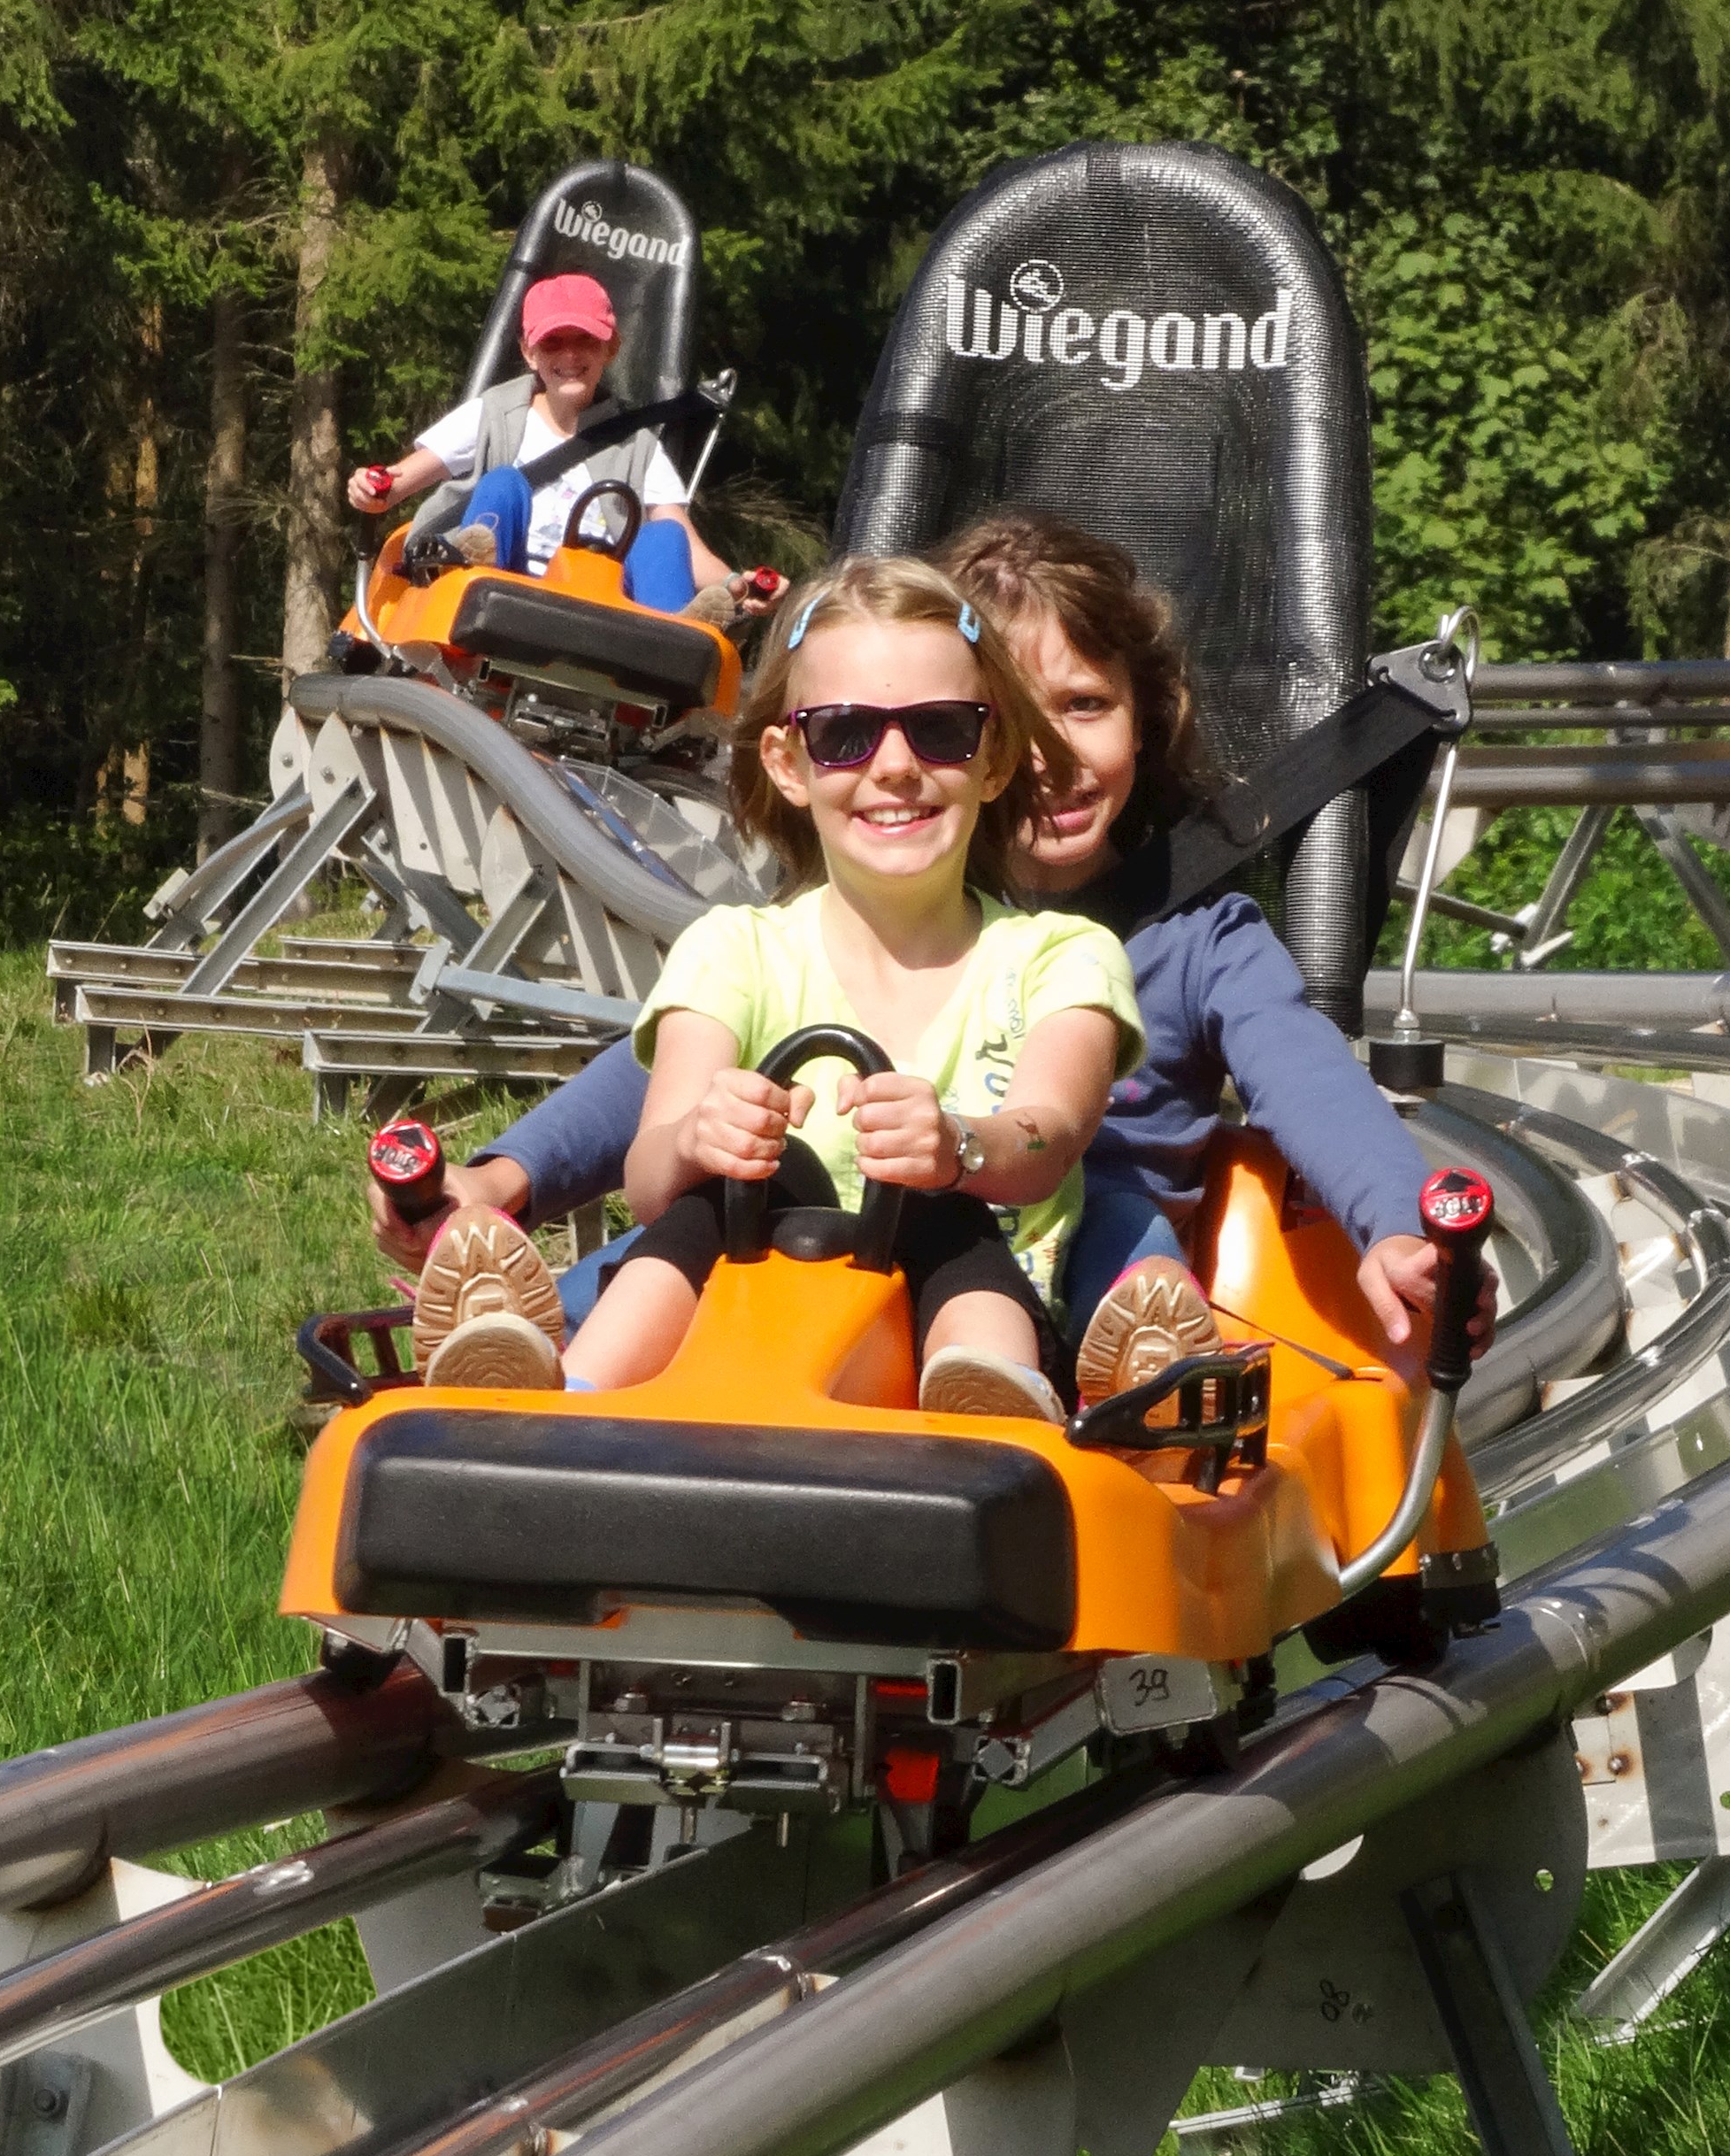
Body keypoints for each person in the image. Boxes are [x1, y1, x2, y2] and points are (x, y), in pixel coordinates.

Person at [379, 513, 1489, 1401]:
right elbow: (671, 1071)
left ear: (1144, 722)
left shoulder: (1193, 940)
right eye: (1019, 710)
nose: (1054, 751)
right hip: (826, 1249)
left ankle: (1136, 1379)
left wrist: (1399, 1224)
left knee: (1111, 1216)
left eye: (1087, 705)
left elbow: (1309, 1078)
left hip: (1053, 1258)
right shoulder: (870, 907)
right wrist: (501, 1177)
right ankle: (525, 1360)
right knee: (690, 1230)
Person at [413, 552, 1140, 1421]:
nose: (897, 765)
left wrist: (960, 1145)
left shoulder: (1064, 956)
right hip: (751, 1325)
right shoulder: (733, 950)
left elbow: (1048, 1136)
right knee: (723, 1194)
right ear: (790, 764)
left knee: (931, 1201)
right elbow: (649, 1177)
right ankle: (566, 1390)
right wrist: (698, 1138)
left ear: (993, 759)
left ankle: (986, 1395)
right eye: (846, 733)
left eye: (940, 728)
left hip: (958, 1319)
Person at [344, 270, 732, 611]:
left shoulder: (638, 446)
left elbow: (689, 548)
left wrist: (737, 586)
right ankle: (476, 567)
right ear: (529, 352)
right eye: (552, 342)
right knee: (503, 482)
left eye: (585, 340)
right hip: (508, 584)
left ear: (610, 348)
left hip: (599, 598)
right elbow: (395, 484)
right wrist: (372, 489)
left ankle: (675, 636)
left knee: (664, 536)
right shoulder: (493, 414)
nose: (570, 354)